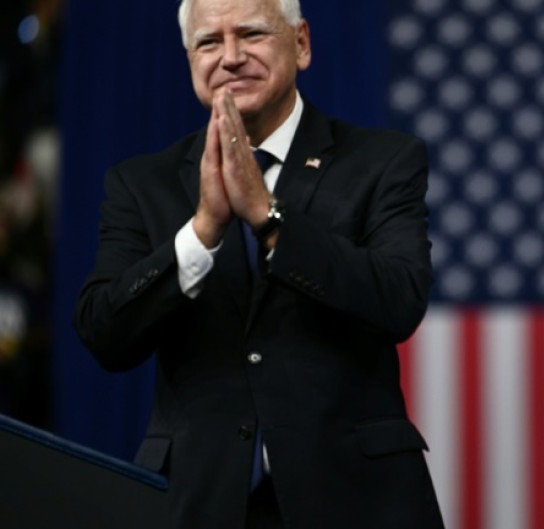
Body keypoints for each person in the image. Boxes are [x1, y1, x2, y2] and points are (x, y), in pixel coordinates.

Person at [72, 0, 444, 527]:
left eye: (251, 34)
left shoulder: (383, 161)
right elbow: (103, 332)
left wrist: (271, 221)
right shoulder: (140, 183)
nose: (230, 57)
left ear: (302, 43)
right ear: (189, 58)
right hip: (201, 501)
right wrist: (201, 233)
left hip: (355, 499)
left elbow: (400, 299)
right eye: (208, 42)